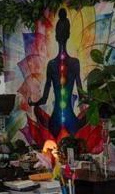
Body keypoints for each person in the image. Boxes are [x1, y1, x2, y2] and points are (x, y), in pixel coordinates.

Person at [29, 8, 86, 138]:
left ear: (55, 36)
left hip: (55, 122)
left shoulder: (52, 64)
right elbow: (82, 96)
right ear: (68, 34)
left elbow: (44, 99)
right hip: (70, 121)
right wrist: (94, 101)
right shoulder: (74, 63)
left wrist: (34, 104)